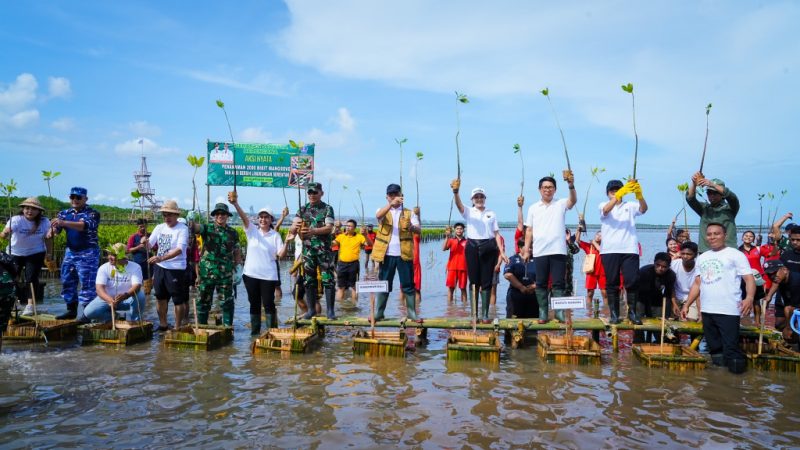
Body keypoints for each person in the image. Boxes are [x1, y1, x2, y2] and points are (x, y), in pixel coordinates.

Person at [682, 223, 755, 374]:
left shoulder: (735, 254)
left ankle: (737, 384)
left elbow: (749, 279)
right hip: (708, 310)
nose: (712, 237)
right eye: (709, 234)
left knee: (731, 348)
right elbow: (697, 283)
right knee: (714, 347)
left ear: (725, 235)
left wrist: (749, 298)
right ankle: (719, 380)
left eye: (716, 233)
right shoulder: (703, 257)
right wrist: (687, 304)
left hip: (728, 310)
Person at [230, 193, 289, 336]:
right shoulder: (252, 231)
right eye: (261, 217)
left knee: (269, 303)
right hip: (250, 274)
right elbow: (244, 217)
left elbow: (281, 255)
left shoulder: (275, 235)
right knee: (254, 304)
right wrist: (235, 204)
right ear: (258, 219)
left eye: (266, 217)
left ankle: (272, 332)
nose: (263, 219)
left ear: (270, 220)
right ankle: (255, 334)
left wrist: (288, 241)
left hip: (269, 276)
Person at [522, 173, 577, 324]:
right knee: (541, 283)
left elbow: (573, 201)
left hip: (558, 250)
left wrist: (571, 185)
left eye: (551, 187)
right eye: (545, 187)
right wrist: (526, 249)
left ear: (555, 189)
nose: (548, 190)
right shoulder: (533, 208)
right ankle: (543, 312)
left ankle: (559, 313)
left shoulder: (560, 203)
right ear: (540, 189)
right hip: (540, 251)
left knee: (559, 283)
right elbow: (529, 230)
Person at [452, 181, 508, 323]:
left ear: (485, 198)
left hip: (489, 247)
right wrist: (456, 192)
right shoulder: (469, 211)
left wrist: (501, 252)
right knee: (474, 281)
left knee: (487, 281)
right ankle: (474, 315)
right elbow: (459, 205)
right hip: (472, 246)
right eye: (476, 197)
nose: (479, 199)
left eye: (481, 197)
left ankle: (484, 315)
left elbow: (496, 234)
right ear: (472, 200)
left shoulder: (491, 213)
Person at [47, 187, 101, 320]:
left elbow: (83, 226)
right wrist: (53, 229)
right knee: (67, 280)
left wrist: (63, 222)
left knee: (87, 283)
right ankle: (71, 310)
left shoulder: (92, 213)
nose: (75, 200)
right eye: (72, 197)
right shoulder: (64, 213)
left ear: (85, 199)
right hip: (70, 252)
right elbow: (58, 229)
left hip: (88, 252)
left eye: (78, 197)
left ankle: (88, 314)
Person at [599, 179, 647, 325]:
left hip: (629, 249)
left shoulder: (630, 205)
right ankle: (614, 314)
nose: (615, 192)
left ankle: (632, 313)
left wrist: (639, 194)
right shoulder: (602, 204)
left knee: (632, 281)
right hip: (609, 250)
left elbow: (644, 209)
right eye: (612, 190)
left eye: (618, 190)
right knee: (612, 282)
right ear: (607, 193)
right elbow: (606, 210)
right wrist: (617, 196)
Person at [371, 183, 421, 321]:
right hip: (386, 254)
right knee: (384, 284)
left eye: (396, 194)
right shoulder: (383, 211)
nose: (394, 197)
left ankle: (411, 313)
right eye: (391, 195)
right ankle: (379, 313)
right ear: (387, 197)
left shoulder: (409, 212)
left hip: (404, 254)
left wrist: (411, 227)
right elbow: (378, 216)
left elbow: (419, 229)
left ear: (401, 196)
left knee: (408, 284)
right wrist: (391, 205)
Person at [189, 202, 241, 326]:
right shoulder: (207, 228)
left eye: (223, 214)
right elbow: (195, 228)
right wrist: (191, 221)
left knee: (227, 302)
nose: (220, 216)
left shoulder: (233, 233)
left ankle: (228, 329)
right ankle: (201, 327)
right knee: (203, 302)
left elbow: (237, 251)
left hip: (225, 275)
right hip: (207, 274)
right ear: (214, 215)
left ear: (227, 216)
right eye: (217, 213)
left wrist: (238, 267)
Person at [1, 197, 53, 316]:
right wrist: (5, 233)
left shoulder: (45, 222)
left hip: (35, 252)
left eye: (33, 209)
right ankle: (14, 303)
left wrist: (49, 253)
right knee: (12, 278)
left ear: (39, 211)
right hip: (14, 252)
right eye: (27, 208)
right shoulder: (15, 220)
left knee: (31, 278)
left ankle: (30, 305)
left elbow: (48, 239)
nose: (30, 211)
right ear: (23, 209)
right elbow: (3, 235)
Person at [144, 200, 189, 331]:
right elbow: (149, 245)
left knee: (177, 300)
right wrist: (145, 242)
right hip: (160, 267)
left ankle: (177, 326)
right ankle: (163, 324)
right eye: (164, 215)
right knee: (160, 297)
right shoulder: (159, 227)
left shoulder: (182, 229)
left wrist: (161, 257)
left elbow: (180, 249)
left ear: (176, 215)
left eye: (170, 214)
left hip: (175, 268)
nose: (167, 217)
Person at [293, 182, 336, 319]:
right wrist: (295, 228)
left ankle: (330, 312)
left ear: (321, 193)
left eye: (315, 192)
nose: (312, 195)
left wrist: (313, 231)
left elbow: (329, 228)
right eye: (310, 192)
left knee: (328, 280)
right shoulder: (302, 209)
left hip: (324, 251)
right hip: (308, 252)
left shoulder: (327, 208)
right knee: (309, 280)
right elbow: (295, 226)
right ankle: (311, 310)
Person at [82, 243, 145, 323]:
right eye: (109, 254)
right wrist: (109, 300)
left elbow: (137, 286)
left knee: (140, 295)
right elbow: (99, 289)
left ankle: (135, 320)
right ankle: (113, 317)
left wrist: (125, 295)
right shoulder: (104, 267)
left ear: (123, 257)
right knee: (89, 313)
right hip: (108, 298)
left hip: (127, 299)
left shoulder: (135, 267)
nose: (109, 257)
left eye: (113, 255)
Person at [686, 174, 739, 253]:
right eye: (709, 193)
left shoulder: (731, 208)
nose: (711, 195)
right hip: (706, 251)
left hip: (728, 251)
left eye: (715, 193)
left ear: (722, 195)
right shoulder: (703, 208)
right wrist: (694, 183)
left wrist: (712, 185)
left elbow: (732, 197)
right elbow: (690, 199)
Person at [635, 252, 676, 342]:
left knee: (658, 324)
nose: (660, 268)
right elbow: (636, 291)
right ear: (654, 263)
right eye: (658, 265)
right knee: (638, 322)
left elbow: (667, 296)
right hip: (640, 298)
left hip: (657, 299)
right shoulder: (644, 272)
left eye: (664, 267)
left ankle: (658, 341)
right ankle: (638, 342)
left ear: (669, 266)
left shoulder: (671, 275)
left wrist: (667, 315)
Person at [334, 219, 373, 304]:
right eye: (347, 226)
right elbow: (332, 243)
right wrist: (334, 230)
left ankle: (354, 306)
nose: (348, 228)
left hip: (353, 265)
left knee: (354, 287)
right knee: (341, 287)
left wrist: (366, 235)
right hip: (341, 264)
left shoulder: (359, 237)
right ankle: (340, 308)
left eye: (350, 226)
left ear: (355, 228)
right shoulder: (341, 236)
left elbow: (370, 244)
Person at [763, 260, 800, 342]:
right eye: (769, 275)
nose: (772, 277)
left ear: (785, 270)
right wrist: (768, 296)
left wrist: (788, 327)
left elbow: (794, 308)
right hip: (795, 305)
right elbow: (788, 306)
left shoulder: (795, 282)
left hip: (797, 305)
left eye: (774, 273)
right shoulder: (782, 281)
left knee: (791, 328)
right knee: (780, 324)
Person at [504, 238, 538, 320]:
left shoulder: (537, 260)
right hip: (516, 293)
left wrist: (534, 286)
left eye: (531, 247)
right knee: (513, 320)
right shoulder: (512, 259)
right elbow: (507, 275)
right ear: (520, 248)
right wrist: (521, 287)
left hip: (533, 294)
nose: (530, 249)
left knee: (532, 321)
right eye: (527, 247)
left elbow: (545, 276)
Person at [738, 230, 767, 325]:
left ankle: (757, 322)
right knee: (744, 300)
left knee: (756, 301)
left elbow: (771, 253)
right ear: (742, 237)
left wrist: (772, 240)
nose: (748, 237)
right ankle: (746, 322)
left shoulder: (758, 249)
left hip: (757, 278)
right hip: (743, 278)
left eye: (751, 236)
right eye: (746, 235)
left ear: (754, 239)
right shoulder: (737, 251)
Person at [578, 230, 607, 313]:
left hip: (603, 273)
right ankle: (589, 312)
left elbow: (600, 250)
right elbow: (578, 241)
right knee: (590, 293)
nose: (598, 236)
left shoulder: (605, 246)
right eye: (597, 234)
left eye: (600, 235)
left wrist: (594, 242)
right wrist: (579, 230)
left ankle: (605, 312)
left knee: (605, 293)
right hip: (591, 272)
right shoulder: (589, 246)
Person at [671, 241, 700, 321]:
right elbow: (670, 286)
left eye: (689, 254)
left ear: (695, 255)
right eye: (683, 253)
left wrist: (687, 305)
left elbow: (699, 290)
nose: (685, 256)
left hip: (692, 299)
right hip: (675, 297)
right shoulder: (674, 264)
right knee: (671, 321)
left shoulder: (699, 266)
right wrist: (674, 304)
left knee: (691, 320)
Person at [442, 222, 468, 303]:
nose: (459, 230)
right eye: (457, 229)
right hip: (452, 268)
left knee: (463, 288)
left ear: (463, 230)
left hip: (463, 268)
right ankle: (450, 308)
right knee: (450, 288)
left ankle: (464, 308)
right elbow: (443, 248)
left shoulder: (467, 241)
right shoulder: (451, 240)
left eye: (461, 229)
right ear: (454, 230)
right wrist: (447, 236)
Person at [126, 218, 151, 293]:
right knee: (137, 281)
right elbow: (128, 250)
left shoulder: (150, 235)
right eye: (141, 226)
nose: (143, 228)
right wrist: (138, 247)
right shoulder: (133, 237)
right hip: (137, 262)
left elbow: (156, 247)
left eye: (144, 226)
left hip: (149, 262)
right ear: (137, 226)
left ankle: (147, 299)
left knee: (148, 283)